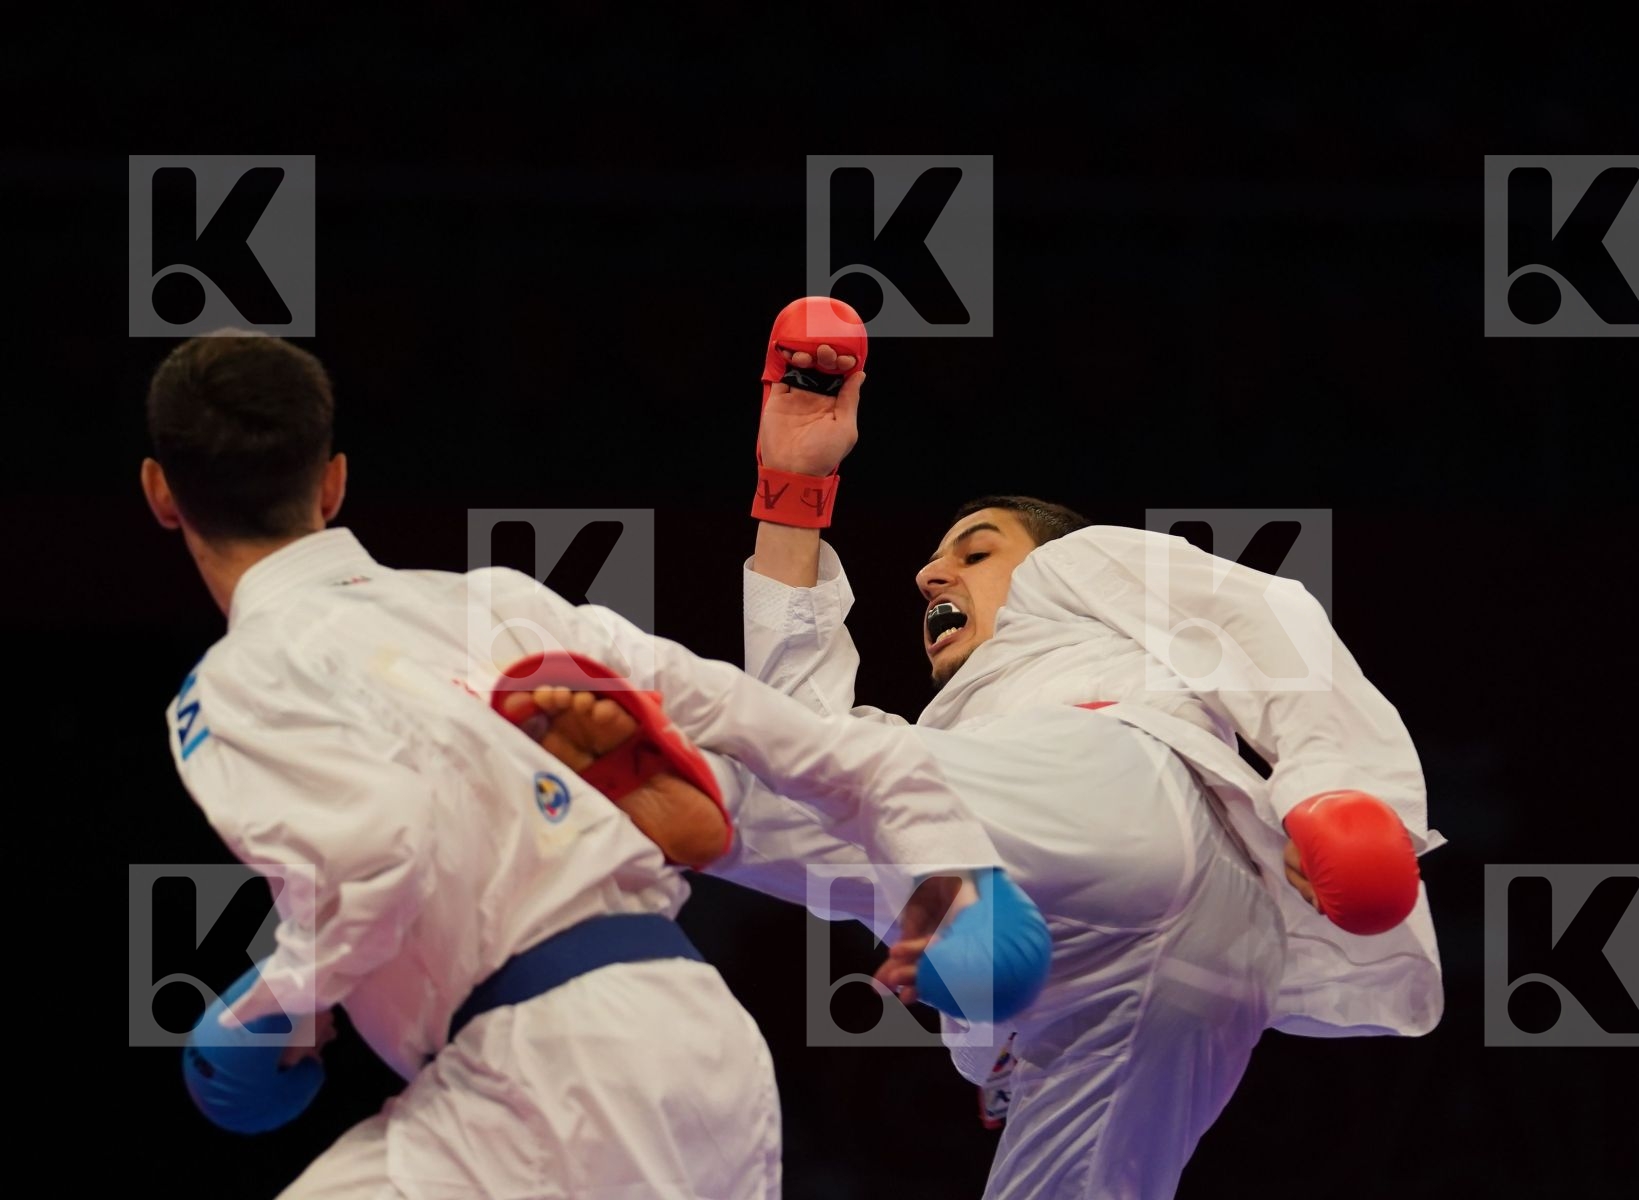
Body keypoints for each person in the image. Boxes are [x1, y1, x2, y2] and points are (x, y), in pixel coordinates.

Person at [142, 330, 1049, 1199]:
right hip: (702, 1039)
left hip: (547, 1072)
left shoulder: (232, 685)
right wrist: (960, 863)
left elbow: (380, 852)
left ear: (161, 493)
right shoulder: (494, 602)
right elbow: (779, 725)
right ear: (333, 483)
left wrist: (279, 1005)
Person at [671, 301, 1445, 1198]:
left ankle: (606, 706)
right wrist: (792, 486)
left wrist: (1342, 791)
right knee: (818, 773)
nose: (929, 574)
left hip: (1131, 795)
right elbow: (798, 730)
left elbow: (1260, 616)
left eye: (976, 549)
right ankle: (962, 958)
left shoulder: (1072, 576)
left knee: (808, 776)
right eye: (935, 560)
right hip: (1151, 991)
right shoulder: (938, 740)